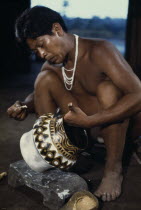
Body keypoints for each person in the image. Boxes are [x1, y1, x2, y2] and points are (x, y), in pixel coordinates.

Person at [7, 6, 141, 202]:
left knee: (108, 89)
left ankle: (113, 169)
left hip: (117, 128)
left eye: (42, 45)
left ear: (57, 29)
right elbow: (36, 94)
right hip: (86, 128)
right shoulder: (53, 63)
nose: (41, 54)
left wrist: (91, 120)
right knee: (44, 79)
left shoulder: (100, 50)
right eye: (36, 50)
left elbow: (138, 94)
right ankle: (64, 155)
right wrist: (25, 106)